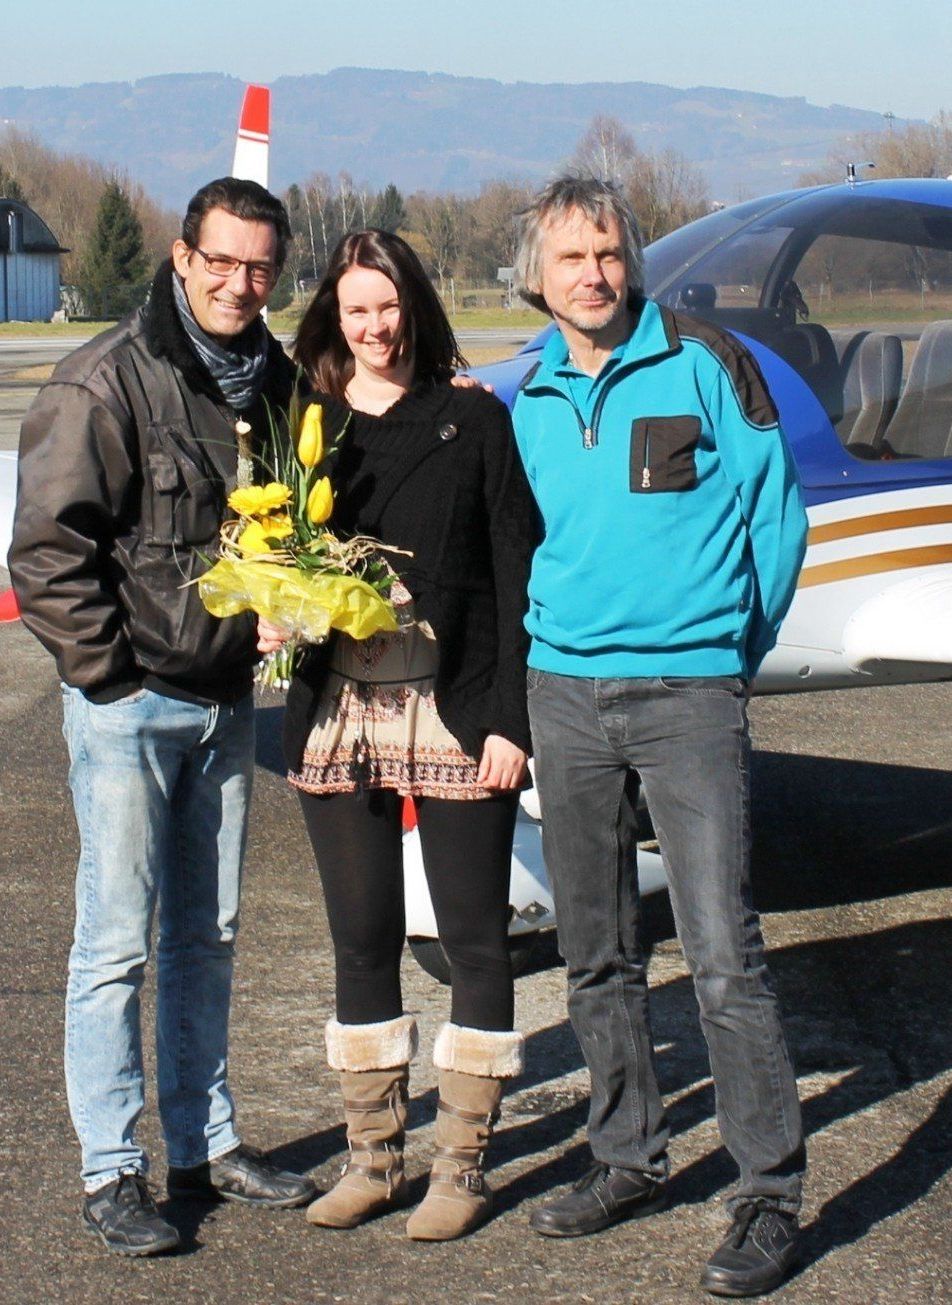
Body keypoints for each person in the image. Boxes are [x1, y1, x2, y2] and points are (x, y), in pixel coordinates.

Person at [510, 175, 810, 1298]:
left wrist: (732, 646)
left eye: (609, 253)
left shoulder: (708, 365)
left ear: (631, 260)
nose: (594, 274)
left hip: (688, 692)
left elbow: (775, 517)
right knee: (596, 952)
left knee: (723, 955)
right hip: (564, 694)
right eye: (572, 258)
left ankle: (769, 1194)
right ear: (538, 277)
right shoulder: (529, 393)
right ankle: (626, 1156)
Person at [8, 177, 317, 1256]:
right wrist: (112, 679)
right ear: (182, 258)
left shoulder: (270, 384)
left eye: (260, 268)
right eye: (222, 262)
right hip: (132, 710)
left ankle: (206, 1142)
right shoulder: (104, 380)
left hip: (227, 708)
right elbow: (47, 556)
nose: (240, 284)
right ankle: (111, 1170)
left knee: (210, 936)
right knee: (113, 947)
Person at [262, 228, 535, 1240]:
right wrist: (274, 609)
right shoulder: (306, 424)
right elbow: (273, 555)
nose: (372, 329)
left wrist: (510, 718)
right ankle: (372, 1158)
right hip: (337, 710)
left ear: (414, 304)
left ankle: (461, 1165)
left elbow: (518, 576)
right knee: (362, 939)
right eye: (353, 312)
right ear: (334, 315)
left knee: (473, 938)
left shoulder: (472, 419)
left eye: (387, 308)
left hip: (455, 706)